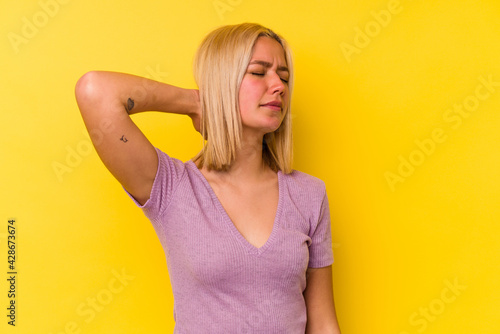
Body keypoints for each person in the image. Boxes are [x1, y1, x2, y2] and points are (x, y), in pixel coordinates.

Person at [75, 22, 341, 333]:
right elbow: (93, 91)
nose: (279, 86)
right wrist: (196, 102)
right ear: (222, 81)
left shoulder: (309, 194)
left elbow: (323, 324)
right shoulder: (171, 188)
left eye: (284, 77)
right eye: (258, 72)